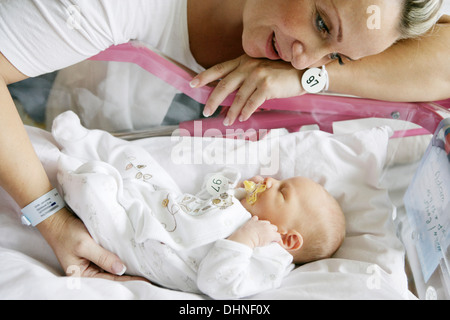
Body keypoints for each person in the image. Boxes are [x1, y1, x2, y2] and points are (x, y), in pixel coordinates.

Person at [0, 0, 447, 281]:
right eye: (319, 22)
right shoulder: (115, 7)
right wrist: (49, 216)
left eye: (336, 54)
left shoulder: (334, 42)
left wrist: (310, 78)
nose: (304, 56)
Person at [53, 112, 345, 298]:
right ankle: (83, 139)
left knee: (96, 188)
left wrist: (245, 241)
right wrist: (235, 188)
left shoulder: (270, 260)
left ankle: (65, 173)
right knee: (136, 159)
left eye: (282, 191)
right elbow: (205, 198)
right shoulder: (245, 208)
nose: (271, 181)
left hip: (147, 245)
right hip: (164, 203)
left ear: (289, 238)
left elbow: (217, 284)